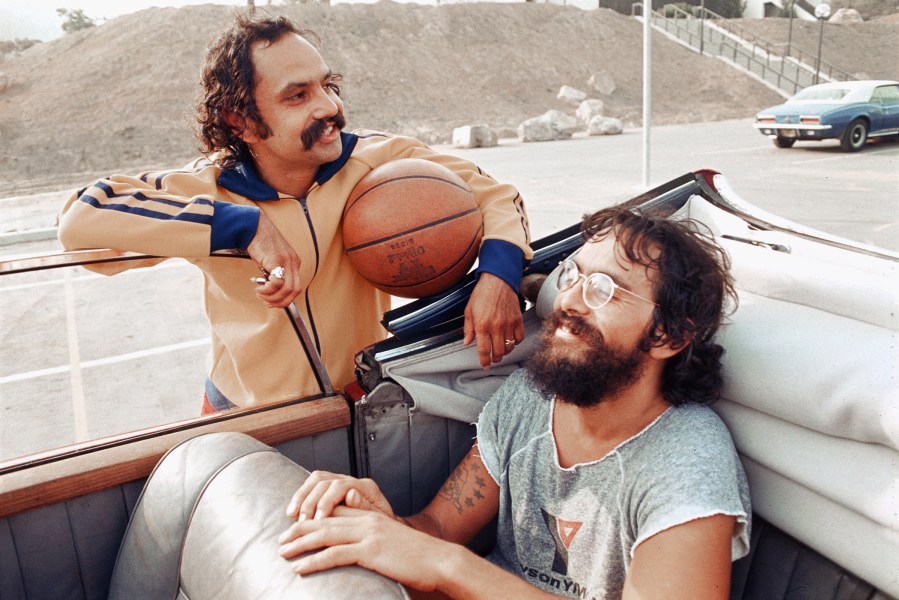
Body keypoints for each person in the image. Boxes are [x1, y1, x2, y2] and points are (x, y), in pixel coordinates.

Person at [56, 14, 532, 413]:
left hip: (356, 401)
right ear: (240, 121)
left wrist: (499, 277)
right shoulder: (208, 189)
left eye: (329, 85)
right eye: (297, 95)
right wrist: (243, 227)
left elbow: (497, 194)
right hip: (242, 411)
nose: (330, 106)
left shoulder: (385, 161)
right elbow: (82, 218)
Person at [277, 205, 751, 599]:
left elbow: (445, 556)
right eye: (572, 275)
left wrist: (449, 566)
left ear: (668, 335)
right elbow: (439, 529)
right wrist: (387, 523)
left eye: (603, 290)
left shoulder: (688, 461)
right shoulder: (530, 396)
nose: (569, 301)